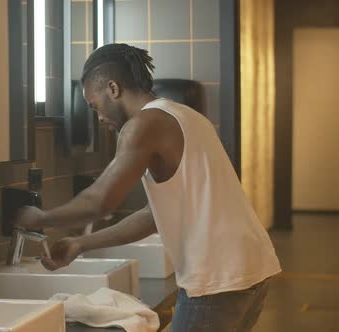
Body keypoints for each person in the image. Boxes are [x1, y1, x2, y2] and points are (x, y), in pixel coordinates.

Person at [15, 43, 281, 331]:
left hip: (216, 279)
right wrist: (81, 243)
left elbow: (100, 201)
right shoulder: (184, 115)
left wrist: (40, 218)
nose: (99, 117)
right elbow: (152, 216)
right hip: (250, 269)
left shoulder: (143, 125)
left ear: (113, 89)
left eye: (95, 105)